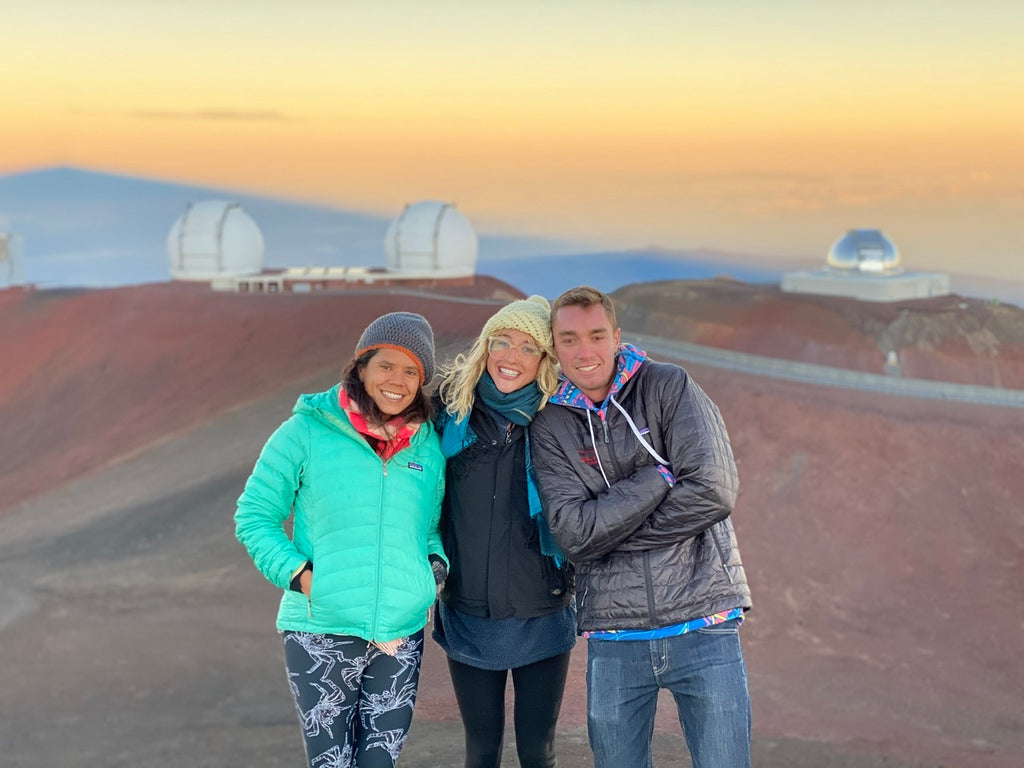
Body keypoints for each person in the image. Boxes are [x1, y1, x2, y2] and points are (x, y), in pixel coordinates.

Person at [529, 286, 752, 768]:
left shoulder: (669, 386)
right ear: (554, 346)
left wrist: (608, 540)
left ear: (617, 337)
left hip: (704, 620)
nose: (584, 351)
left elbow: (713, 491)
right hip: (616, 637)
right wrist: (656, 479)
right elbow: (573, 534)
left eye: (595, 336)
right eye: (569, 339)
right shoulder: (550, 424)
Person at [235, 311, 448, 768]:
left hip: (400, 633)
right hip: (321, 629)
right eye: (386, 365)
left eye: (411, 371)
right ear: (362, 366)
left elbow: (428, 527)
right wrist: (303, 577)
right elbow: (255, 516)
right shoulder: (306, 431)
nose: (398, 380)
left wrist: (432, 572)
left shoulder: (427, 445)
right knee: (331, 763)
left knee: (379, 762)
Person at [433, 295, 576, 768]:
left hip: (543, 610)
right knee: (481, 750)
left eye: (529, 347)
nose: (511, 357)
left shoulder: (561, 419)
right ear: (485, 346)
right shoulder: (450, 413)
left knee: (539, 751)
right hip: (469, 608)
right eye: (502, 341)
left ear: (546, 360)